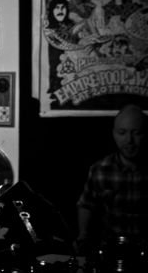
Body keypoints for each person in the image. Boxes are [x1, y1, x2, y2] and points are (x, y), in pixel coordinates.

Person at [75, 104, 147, 261]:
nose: (129, 140)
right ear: (114, 134)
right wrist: (83, 236)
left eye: (137, 133)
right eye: (122, 133)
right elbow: (86, 204)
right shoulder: (100, 169)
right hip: (111, 254)